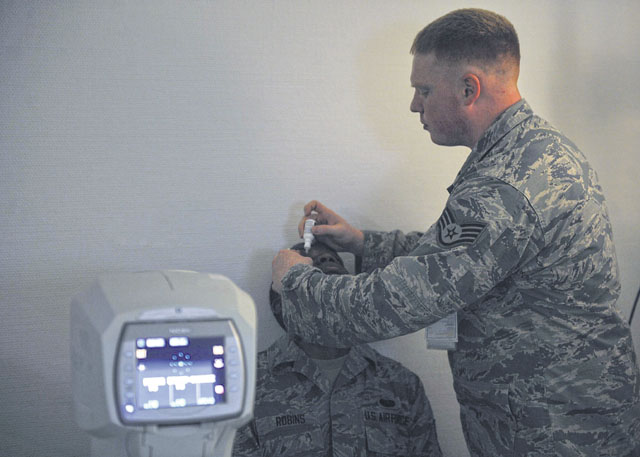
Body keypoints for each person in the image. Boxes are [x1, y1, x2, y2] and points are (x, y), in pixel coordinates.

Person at [271, 8, 640, 457]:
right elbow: (456, 255)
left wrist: (293, 278)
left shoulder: (507, 185)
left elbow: (393, 303)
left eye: (423, 90)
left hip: (557, 433)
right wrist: (363, 243)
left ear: (469, 88)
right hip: (550, 417)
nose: (414, 105)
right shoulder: (529, 151)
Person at [234, 241, 443, 457]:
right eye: (307, 263)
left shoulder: (401, 385)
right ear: (281, 305)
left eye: (334, 259)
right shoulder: (245, 384)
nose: (325, 259)